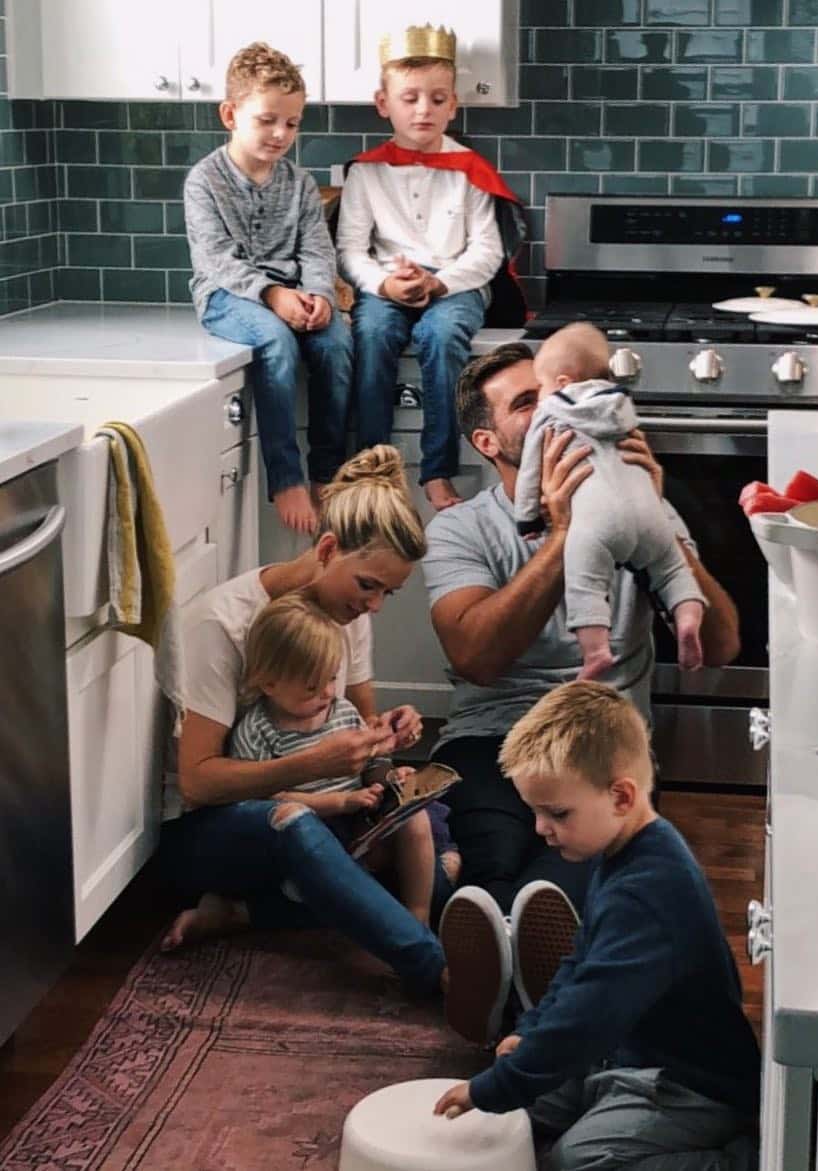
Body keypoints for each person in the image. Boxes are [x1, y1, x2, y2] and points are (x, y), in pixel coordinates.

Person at [422, 343, 740, 913]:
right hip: (491, 737)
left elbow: (721, 645)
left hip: (602, 740)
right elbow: (476, 658)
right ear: (487, 443)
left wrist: (655, 518)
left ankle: (510, 963)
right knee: (481, 868)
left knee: (563, 886)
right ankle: (493, 960)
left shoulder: (640, 510)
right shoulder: (460, 530)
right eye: (526, 402)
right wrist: (565, 534)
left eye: (552, 391)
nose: (552, 405)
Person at [434, 681, 761, 1171]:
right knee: (525, 1089)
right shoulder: (621, 853)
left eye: (556, 813)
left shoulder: (646, 891)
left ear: (621, 796)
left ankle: (744, 1159)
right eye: (535, 812)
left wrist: (495, 1087)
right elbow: (578, 963)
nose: (541, 829)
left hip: (690, 1083)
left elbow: (589, 1014)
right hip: (627, 1050)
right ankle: (598, 1101)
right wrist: (533, 1030)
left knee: (579, 1159)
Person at [158, 446, 448, 995]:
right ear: (328, 548)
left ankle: (247, 914)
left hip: (326, 807)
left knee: (434, 836)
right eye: (369, 585)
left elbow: (363, 727)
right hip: (215, 832)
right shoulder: (221, 624)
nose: (376, 605)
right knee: (299, 824)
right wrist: (317, 762)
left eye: (390, 592)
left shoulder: (348, 612)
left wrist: (387, 743)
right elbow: (198, 780)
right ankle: (439, 974)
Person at [336, 26, 525, 513]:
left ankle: (437, 469)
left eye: (436, 99)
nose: (423, 109)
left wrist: (439, 281)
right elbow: (350, 250)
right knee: (373, 333)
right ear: (384, 104)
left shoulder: (470, 170)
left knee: (442, 339)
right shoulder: (365, 172)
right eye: (410, 98)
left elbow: (487, 251)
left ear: (452, 106)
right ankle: (373, 466)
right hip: (387, 283)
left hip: (455, 284)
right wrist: (384, 283)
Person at [185, 41, 353, 534]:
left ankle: (326, 470)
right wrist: (272, 295)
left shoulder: (299, 183)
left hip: (295, 292)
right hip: (227, 297)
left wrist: (319, 295)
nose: (282, 134)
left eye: (293, 123)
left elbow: (318, 250)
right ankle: (285, 477)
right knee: (275, 344)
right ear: (230, 114)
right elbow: (215, 259)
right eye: (267, 120)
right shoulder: (204, 182)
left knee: (338, 343)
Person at [229, 590, 458, 925]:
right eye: (311, 687)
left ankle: (418, 917)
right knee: (322, 884)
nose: (326, 693)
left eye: (333, 678)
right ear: (268, 684)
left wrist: (389, 778)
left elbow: (371, 763)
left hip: (359, 819)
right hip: (315, 830)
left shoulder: (342, 711)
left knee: (417, 821)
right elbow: (266, 800)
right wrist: (340, 801)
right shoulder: (257, 730)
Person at [520, 322, 705, 680]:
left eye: (538, 389)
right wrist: (655, 500)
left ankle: (596, 652)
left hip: (596, 518)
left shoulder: (552, 411)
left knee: (586, 582)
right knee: (671, 569)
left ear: (561, 383)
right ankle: (686, 619)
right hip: (647, 509)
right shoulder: (622, 407)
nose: (537, 402)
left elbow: (531, 470)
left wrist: (529, 518)